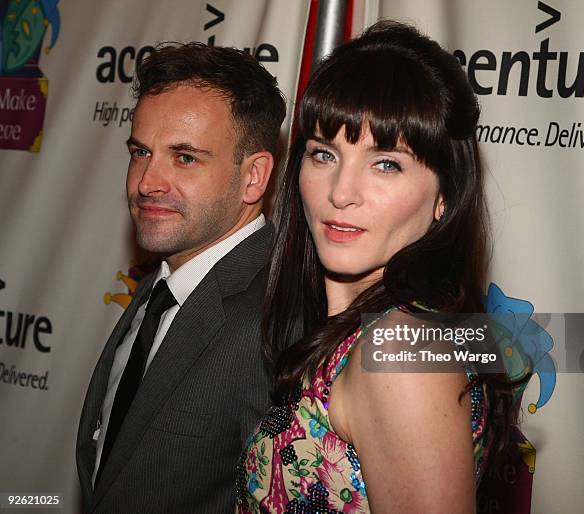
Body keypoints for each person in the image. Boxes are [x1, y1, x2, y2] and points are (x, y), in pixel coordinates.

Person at [236, 21, 523, 513]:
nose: (341, 192)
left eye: (385, 163)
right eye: (324, 154)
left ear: (445, 196)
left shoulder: (399, 353)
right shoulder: (373, 334)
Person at [76, 42, 286, 513]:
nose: (147, 182)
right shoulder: (164, 285)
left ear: (254, 177)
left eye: (185, 158)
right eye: (140, 152)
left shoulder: (275, 316)